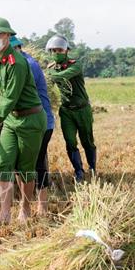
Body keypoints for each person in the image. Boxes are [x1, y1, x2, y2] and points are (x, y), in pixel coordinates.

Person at [0, 17, 47, 225]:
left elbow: (10, 97)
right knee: (5, 164)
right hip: (11, 120)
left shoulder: (16, 62)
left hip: (30, 120)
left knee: (26, 169)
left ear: (8, 36)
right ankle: (3, 215)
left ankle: (25, 209)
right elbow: (4, 94)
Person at [9, 36, 56, 215]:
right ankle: (25, 205)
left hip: (41, 123)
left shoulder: (30, 65)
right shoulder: (13, 64)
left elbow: (14, 91)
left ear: (18, 49)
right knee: (20, 165)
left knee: (37, 163)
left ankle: (41, 206)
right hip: (23, 122)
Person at [45, 35, 96, 183]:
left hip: (82, 110)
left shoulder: (75, 65)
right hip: (66, 111)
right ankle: (79, 172)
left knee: (87, 141)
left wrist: (50, 73)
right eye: (53, 50)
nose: (56, 53)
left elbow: (61, 76)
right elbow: (48, 82)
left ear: (67, 50)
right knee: (70, 142)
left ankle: (92, 168)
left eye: (59, 50)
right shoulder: (52, 68)